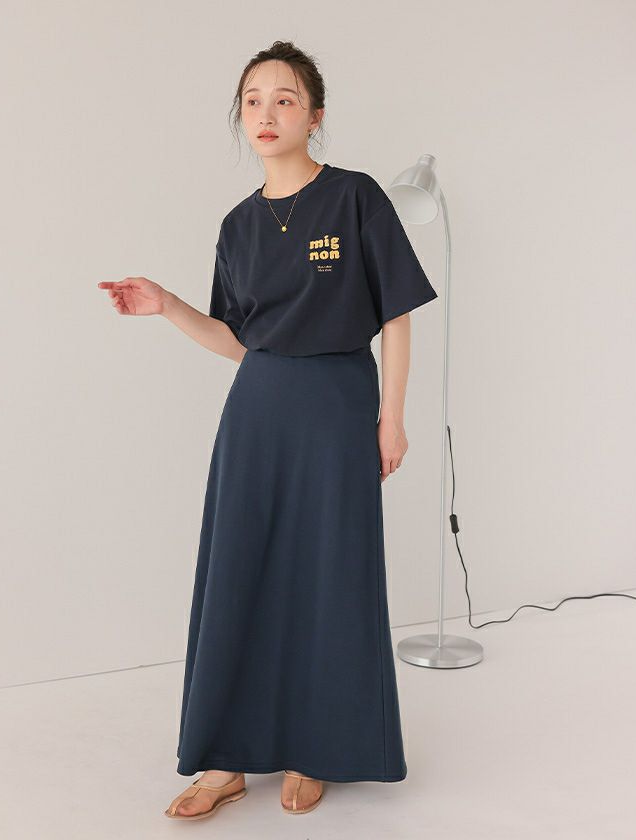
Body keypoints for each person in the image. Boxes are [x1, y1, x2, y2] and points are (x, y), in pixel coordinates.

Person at [98, 39, 438, 821]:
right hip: (256, 411)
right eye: (253, 100)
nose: (266, 113)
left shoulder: (355, 197)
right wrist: (167, 306)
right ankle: (224, 760)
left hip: (338, 404)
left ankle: (315, 746)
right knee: (238, 572)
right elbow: (239, 341)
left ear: (314, 116)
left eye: (284, 99)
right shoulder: (238, 226)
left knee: (328, 575)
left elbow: (395, 312)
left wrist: (391, 417)